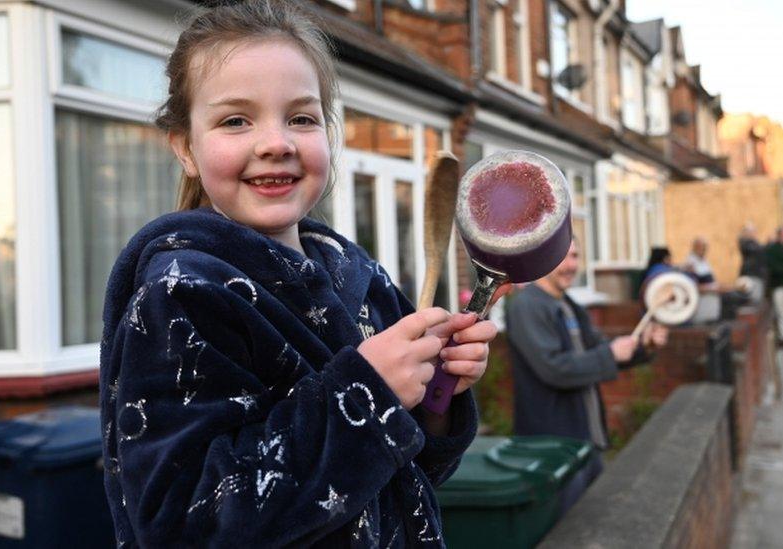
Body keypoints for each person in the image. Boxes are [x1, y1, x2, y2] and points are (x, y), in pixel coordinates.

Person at [99, 2, 500, 546]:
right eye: (235, 120)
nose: (276, 143)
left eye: (302, 118)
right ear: (185, 148)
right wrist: (367, 395)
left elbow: (409, 477)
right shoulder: (181, 296)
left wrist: (437, 396)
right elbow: (180, 523)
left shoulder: (362, 278)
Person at [505, 240, 667, 512]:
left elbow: (600, 351)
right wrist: (611, 354)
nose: (571, 266)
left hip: (586, 442)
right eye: (562, 257)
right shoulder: (527, 307)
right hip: (554, 449)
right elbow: (554, 369)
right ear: (542, 260)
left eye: (576, 256)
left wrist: (643, 346)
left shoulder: (569, 305)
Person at [737, 224, 768, 303]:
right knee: (750, 300)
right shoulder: (745, 243)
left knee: (757, 300)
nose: (752, 233)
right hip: (749, 275)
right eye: (749, 231)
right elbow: (754, 250)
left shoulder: (755, 243)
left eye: (753, 231)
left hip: (757, 275)